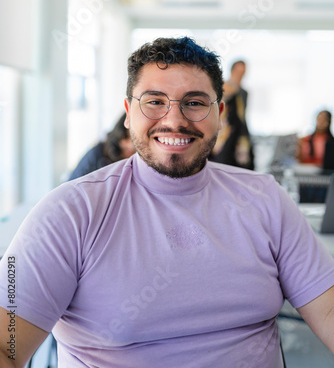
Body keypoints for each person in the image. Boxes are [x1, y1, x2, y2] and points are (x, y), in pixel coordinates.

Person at [1, 36, 334, 368]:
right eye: (155, 101)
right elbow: (6, 343)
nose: (174, 120)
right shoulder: (67, 213)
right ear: (129, 112)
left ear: (219, 114)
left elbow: (328, 309)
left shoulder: (266, 200)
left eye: (194, 103)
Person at [210, 59, 254, 169]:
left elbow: (243, 116)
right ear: (232, 71)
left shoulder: (244, 92)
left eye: (243, 72)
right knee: (224, 165)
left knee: (245, 166)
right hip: (226, 134)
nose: (240, 75)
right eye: (238, 71)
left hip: (241, 133)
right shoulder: (225, 87)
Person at [68, 112, 135, 180]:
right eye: (127, 137)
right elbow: (73, 183)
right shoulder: (98, 152)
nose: (131, 146)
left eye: (134, 139)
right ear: (120, 131)